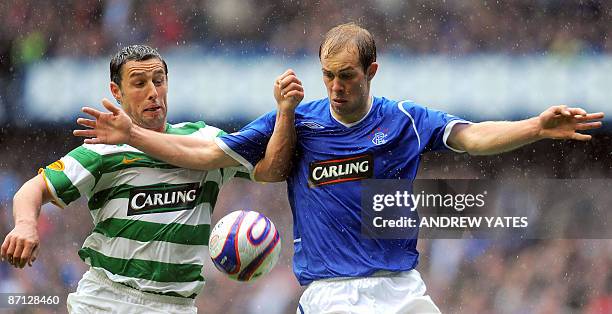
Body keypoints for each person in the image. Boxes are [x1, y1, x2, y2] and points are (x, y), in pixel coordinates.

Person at [72, 24, 604, 313]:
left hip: (401, 290)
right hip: (332, 295)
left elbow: (470, 137)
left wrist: (534, 126)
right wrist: (134, 135)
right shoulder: (297, 122)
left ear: (371, 70)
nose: (335, 87)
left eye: (347, 75)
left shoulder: (403, 121)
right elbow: (208, 154)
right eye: (327, 75)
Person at [0, 45, 303, 313]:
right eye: (139, 83)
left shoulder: (205, 140)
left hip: (176, 305)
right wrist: (25, 225)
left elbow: (273, 171)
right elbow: (33, 189)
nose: (152, 92)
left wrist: (284, 111)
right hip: (107, 300)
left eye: (159, 81)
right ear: (116, 92)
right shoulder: (103, 150)